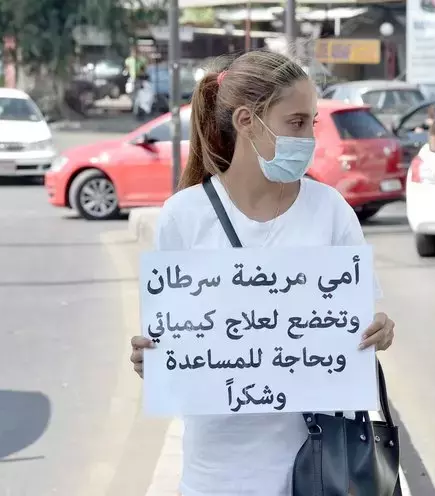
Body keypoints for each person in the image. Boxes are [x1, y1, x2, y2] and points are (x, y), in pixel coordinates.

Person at [130, 50, 396, 496]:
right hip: (215, 474)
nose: (309, 138)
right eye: (296, 122)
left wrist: (379, 332)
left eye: (311, 123)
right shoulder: (183, 216)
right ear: (246, 120)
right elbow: (175, 343)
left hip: (318, 469)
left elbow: (358, 324)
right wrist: (152, 360)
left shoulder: (330, 210)